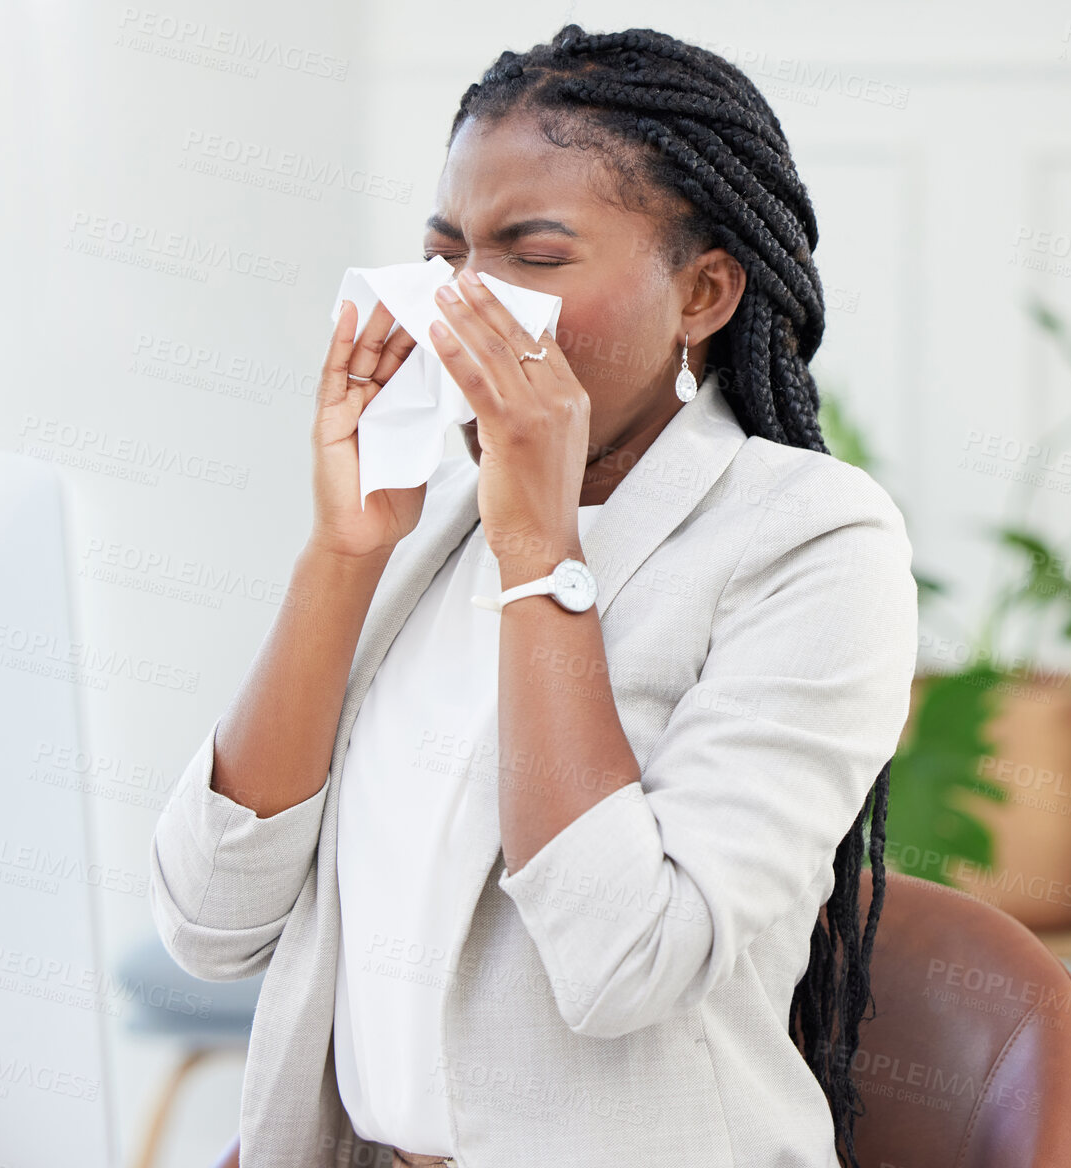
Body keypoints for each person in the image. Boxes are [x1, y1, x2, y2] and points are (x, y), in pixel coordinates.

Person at [149, 24, 918, 1168]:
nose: (462, 307)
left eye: (535, 255)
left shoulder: (812, 541)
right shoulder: (428, 523)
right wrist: (341, 556)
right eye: (446, 252)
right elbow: (210, 924)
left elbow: (623, 963)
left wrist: (539, 551)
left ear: (702, 292)